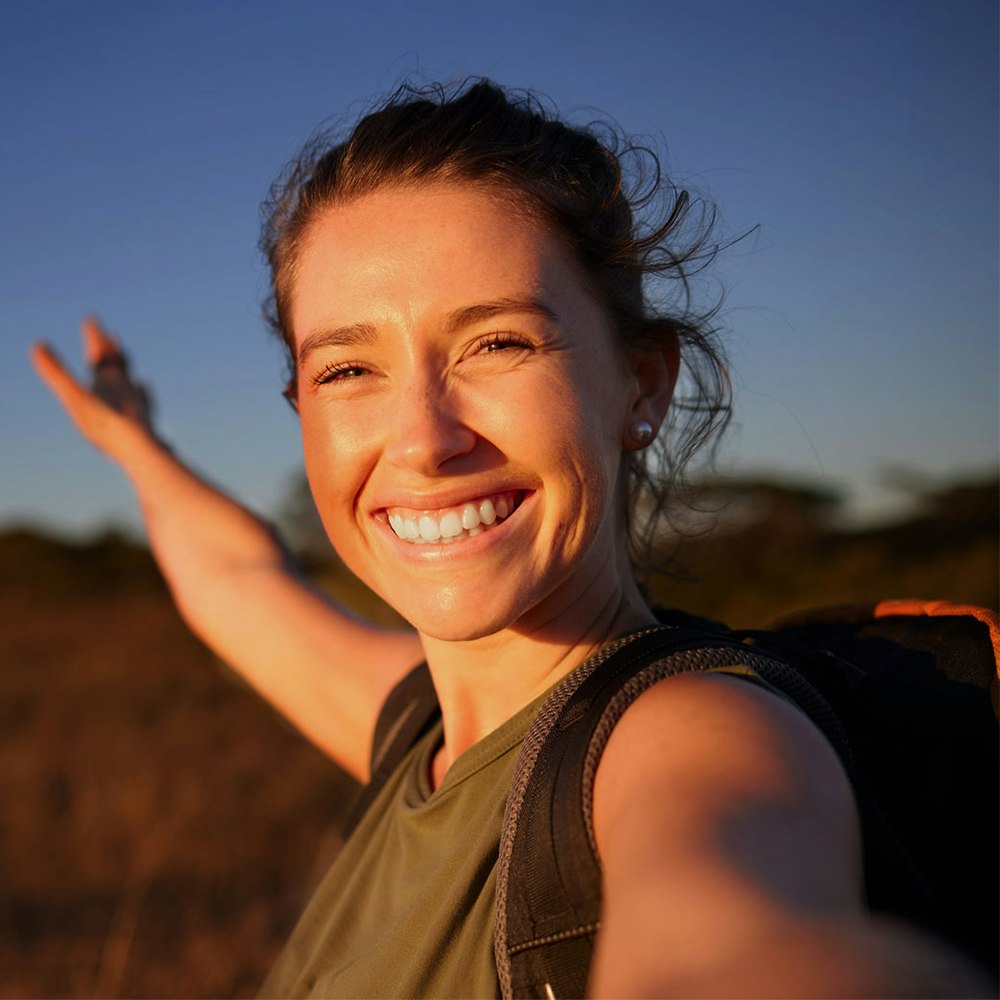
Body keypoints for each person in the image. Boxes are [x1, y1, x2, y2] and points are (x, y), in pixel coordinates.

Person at [31, 80, 990, 998]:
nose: (422, 439)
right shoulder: (420, 726)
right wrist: (137, 447)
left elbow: (735, 942)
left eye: (498, 343)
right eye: (348, 368)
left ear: (642, 385)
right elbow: (237, 582)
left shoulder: (692, 736)